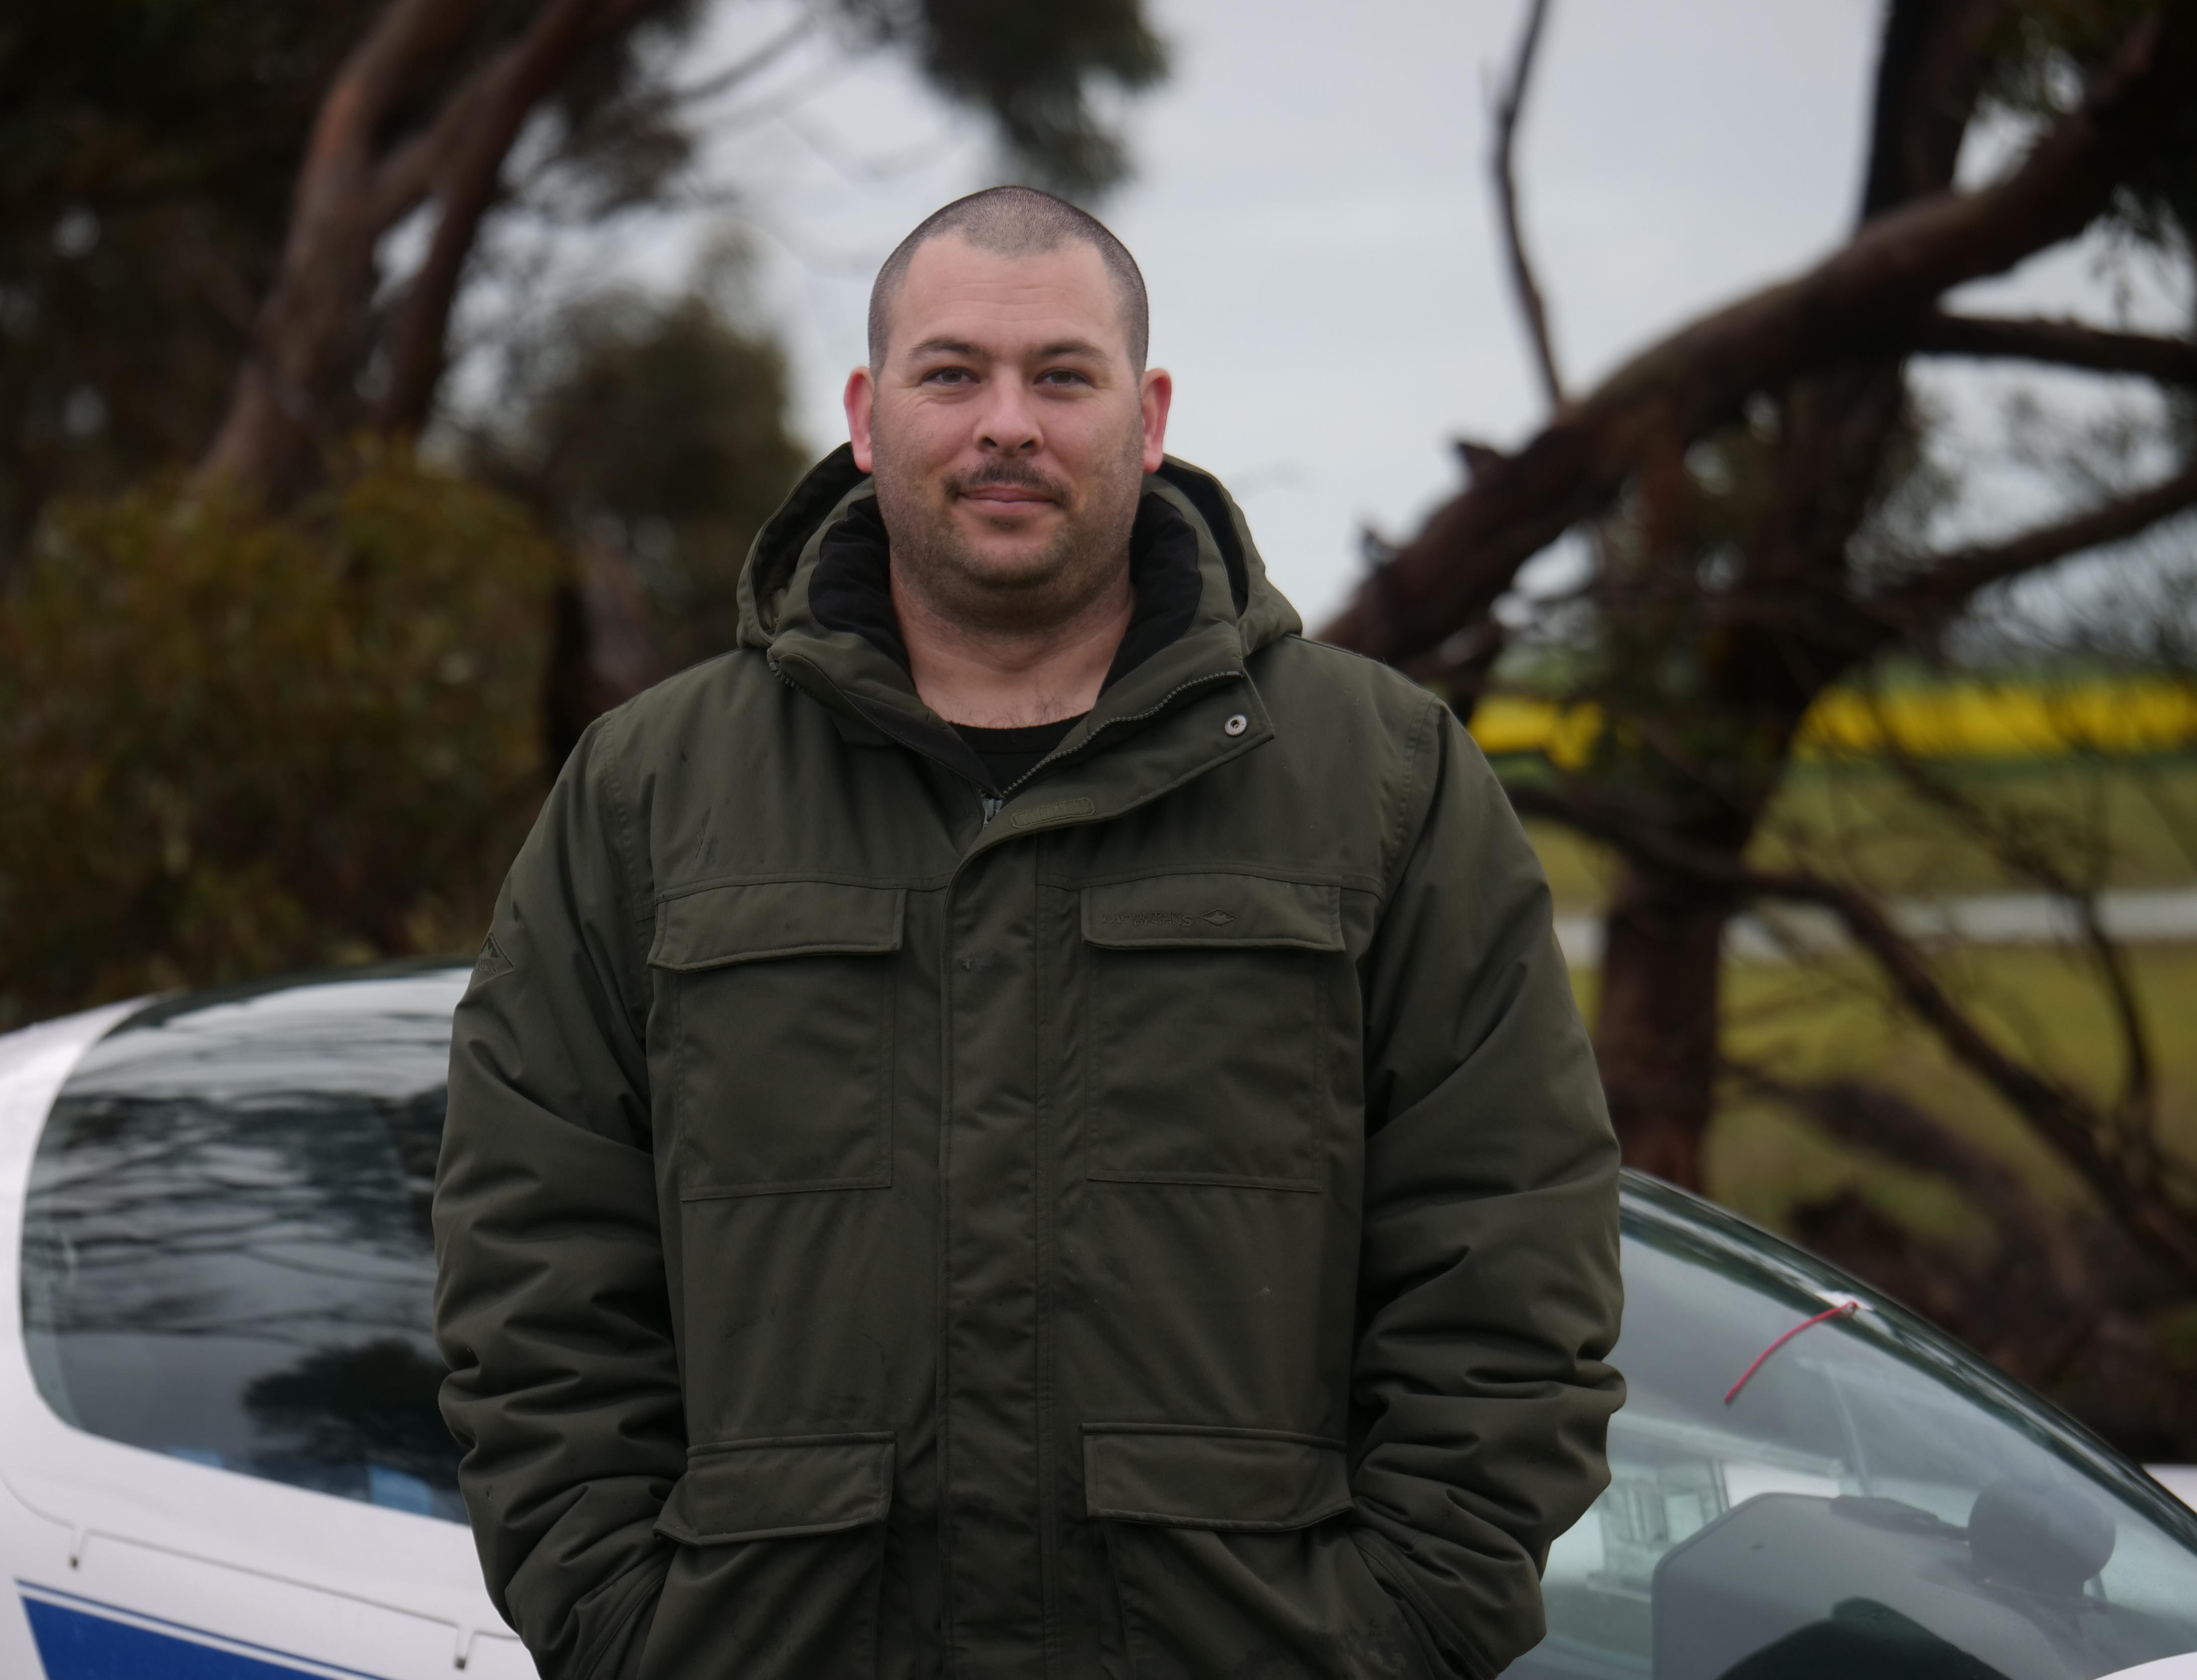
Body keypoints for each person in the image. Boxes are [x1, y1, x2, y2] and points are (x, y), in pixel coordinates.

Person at [434, 185, 1623, 1680]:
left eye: (1063, 375)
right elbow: (533, 1264)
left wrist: (1397, 1635)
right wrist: (630, 1631)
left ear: (1151, 414)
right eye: (954, 375)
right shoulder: (651, 795)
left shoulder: (1379, 781)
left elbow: (1511, 1249)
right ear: (869, 416)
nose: (1008, 423)